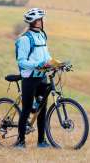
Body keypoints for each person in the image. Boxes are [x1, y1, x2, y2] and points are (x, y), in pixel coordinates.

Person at [14, 8, 58, 148]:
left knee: (42, 109)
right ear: (32, 22)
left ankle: (41, 141)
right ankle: (20, 142)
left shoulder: (42, 36)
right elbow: (21, 62)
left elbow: (46, 57)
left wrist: (57, 64)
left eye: (41, 19)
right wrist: (37, 64)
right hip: (29, 78)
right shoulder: (25, 39)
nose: (41, 22)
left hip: (41, 77)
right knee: (27, 109)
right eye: (38, 20)